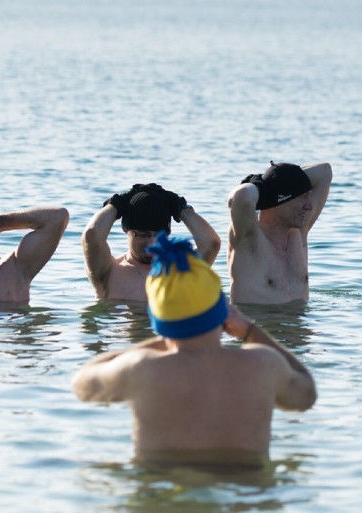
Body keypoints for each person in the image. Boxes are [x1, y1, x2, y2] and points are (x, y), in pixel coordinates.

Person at [73, 233, 316, 468]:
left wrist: (165, 338)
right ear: (224, 311)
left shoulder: (141, 368)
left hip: (163, 492)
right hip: (244, 491)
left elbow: (83, 384)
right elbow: (306, 394)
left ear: (160, 320)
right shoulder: (264, 364)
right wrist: (251, 332)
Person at [83, 183, 220, 301]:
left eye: (159, 236)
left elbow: (211, 243)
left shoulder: (179, 269)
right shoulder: (109, 272)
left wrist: (182, 209)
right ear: (127, 231)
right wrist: (115, 204)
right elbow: (92, 236)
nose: (151, 243)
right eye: (143, 235)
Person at [228, 161, 332, 304]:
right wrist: (268, 186)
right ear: (281, 198)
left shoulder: (299, 232)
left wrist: (279, 181)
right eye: (302, 197)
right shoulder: (248, 237)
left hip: (301, 323)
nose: (309, 206)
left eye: (309, 195)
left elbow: (324, 172)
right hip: (258, 325)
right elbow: (242, 195)